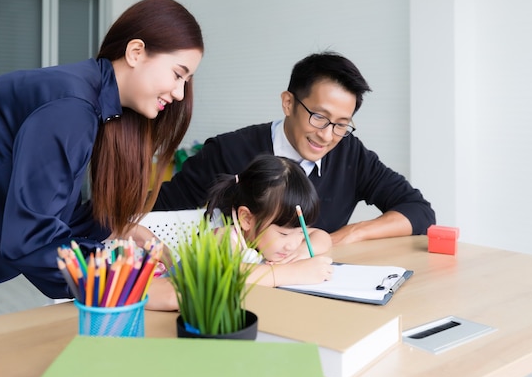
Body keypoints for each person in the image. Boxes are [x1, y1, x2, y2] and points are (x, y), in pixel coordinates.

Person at [0, 0, 204, 322]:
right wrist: (136, 286)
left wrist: (119, 230)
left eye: (186, 81)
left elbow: (51, 208)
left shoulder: (90, 102)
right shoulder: (72, 107)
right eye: (178, 74)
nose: (179, 93)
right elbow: (30, 240)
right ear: (135, 52)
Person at [154, 51, 435, 246]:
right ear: (288, 103)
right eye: (319, 117)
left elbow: (419, 212)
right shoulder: (229, 151)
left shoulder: (350, 153)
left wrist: (346, 235)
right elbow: (159, 215)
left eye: (341, 124)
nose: (327, 136)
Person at [145, 155, 334, 311]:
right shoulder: (223, 238)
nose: (292, 243)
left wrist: (300, 252)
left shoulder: (282, 235)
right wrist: (292, 272)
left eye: (300, 234)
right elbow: (229, 273)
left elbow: (322, 237)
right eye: (284, 235)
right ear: (247, 219)